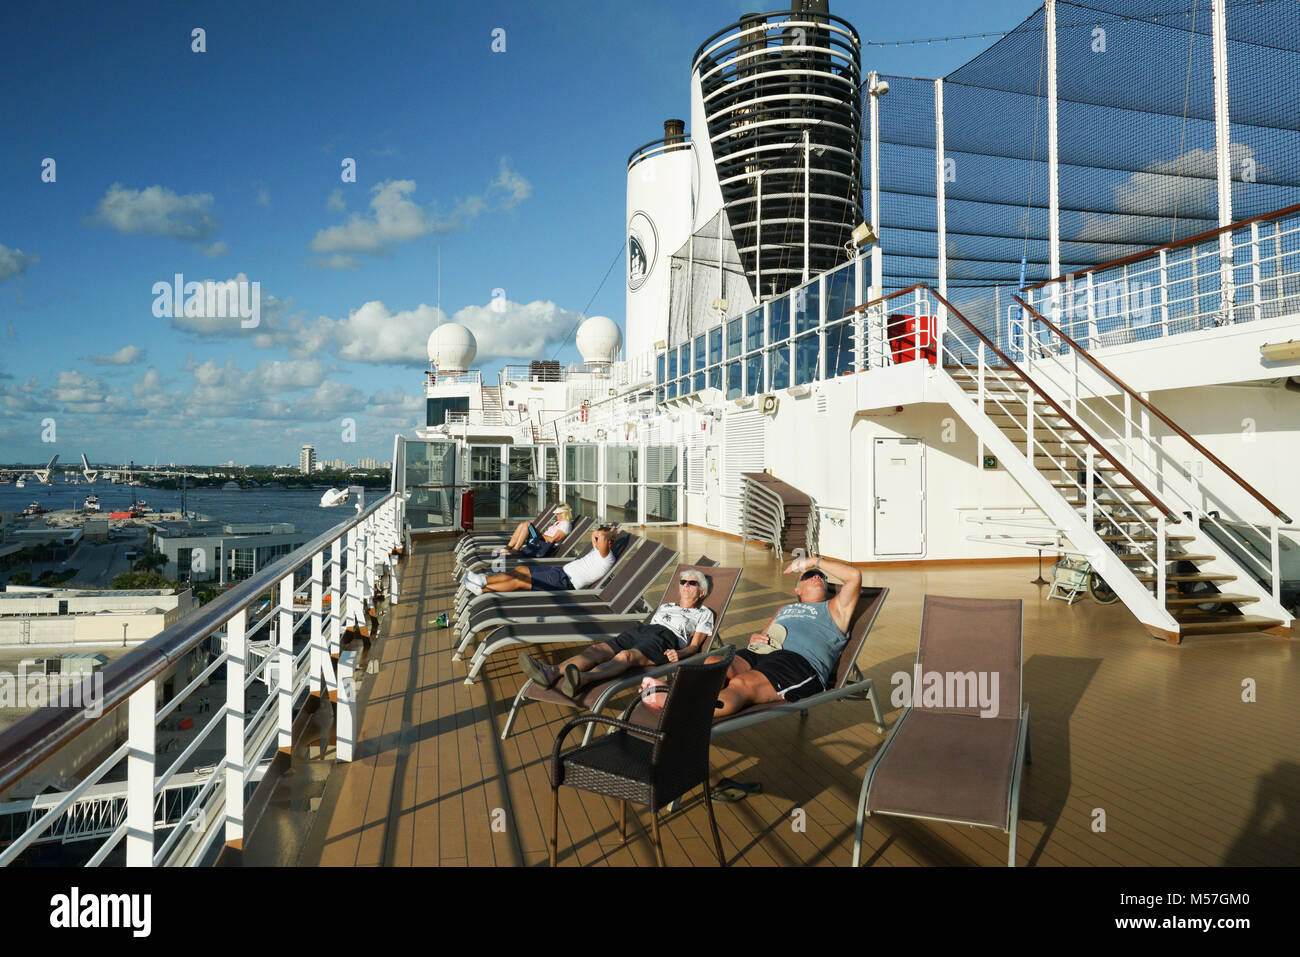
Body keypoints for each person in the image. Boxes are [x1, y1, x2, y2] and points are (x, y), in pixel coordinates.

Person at [517, 569, 714, 697]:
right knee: (597, 649)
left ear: (701, 592)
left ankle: (582, 679)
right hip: (643, 631)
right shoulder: (666, 605)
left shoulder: (704, 613)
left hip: (666, 639)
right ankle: (551, 673)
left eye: (692, 583)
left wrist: (679, 654)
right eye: (683, 582)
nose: (686, 585)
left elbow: (695, 647)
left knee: (625, 656)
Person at [713, 554, 860, 717]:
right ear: (797, 590)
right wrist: (756, 637)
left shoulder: (835, 608)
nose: (817, 576)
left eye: (822, 576)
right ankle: (689, 704)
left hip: (798, 662)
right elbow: (765, 634)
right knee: (713, 664)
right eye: (809, 575)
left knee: (742, 684)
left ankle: (690, 720)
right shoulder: (784, 608)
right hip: (762, 651)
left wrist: (814, 562)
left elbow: (854, 577)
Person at [462, 525, 616, 596]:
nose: (596, 540)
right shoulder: (598, 550)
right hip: (559, 572)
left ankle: (483, 588)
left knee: (520, 581)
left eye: (600, 538)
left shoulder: (607, 557)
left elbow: (601, 538)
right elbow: (595, 536)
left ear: (609, 542)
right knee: (520, 571)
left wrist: (609, 533)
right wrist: (599, 532)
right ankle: (483, 582)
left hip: (564, 582)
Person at [503, 505, 573, 556]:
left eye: (558, 513)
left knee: (527, 524)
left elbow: (552, 540)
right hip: (540, 539)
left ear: (564, 514)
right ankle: (509, 547)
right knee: (523, 524)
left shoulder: (565, 525)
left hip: (542, 542)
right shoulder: (559, 522)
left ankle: (516, 549)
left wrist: (540, 535)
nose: (556, 515)